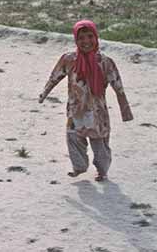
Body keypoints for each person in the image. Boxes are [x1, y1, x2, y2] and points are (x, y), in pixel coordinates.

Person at [38, 19, 134, 181]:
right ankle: (79, 167)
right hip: (76, 110)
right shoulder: (69, 60)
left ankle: (102, 171)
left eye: (90, 37)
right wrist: (44, 93)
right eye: (81, 38)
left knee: (100, 143)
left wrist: (125, 110)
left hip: (98, 112)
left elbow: (118, 86)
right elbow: (55, 76)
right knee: (73, 138)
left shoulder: (104, 62)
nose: (86, 41)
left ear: (96, 38)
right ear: (76, 40)